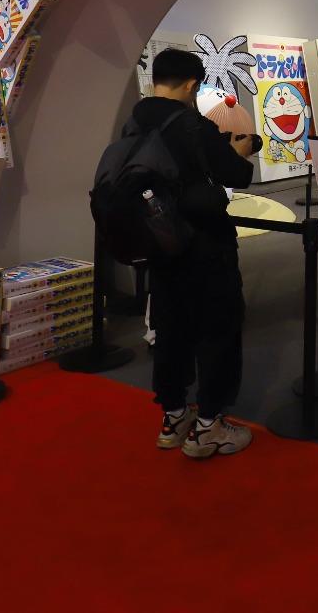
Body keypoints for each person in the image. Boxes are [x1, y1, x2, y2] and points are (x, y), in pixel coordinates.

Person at [125, 48, 259, 459]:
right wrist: (238, 152)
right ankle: (209, 426)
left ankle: (174, 416)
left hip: (159, 245)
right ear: (191, 84)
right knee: (218, 330)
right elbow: (236, 174)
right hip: (204, 245)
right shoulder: (191, 124)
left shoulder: (133, 123)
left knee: (171, 330)